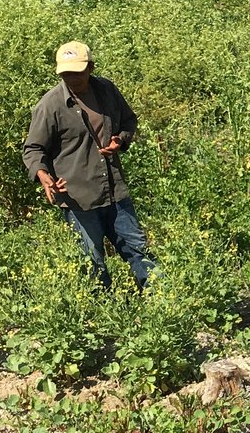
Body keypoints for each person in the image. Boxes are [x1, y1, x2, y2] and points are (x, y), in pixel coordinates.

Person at [22, 41, 153, 289]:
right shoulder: (50, 105)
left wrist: (121, 140)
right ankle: (104, 316)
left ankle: (165, 306)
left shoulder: (106, 90)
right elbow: (33, 149)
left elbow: (128, 120)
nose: (72, 78)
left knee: (139, 252)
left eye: (77, 71)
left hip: (115, 191)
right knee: (92, 263)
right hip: (77, 197)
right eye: (66, 73)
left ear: (90, 67)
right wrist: (43, 175)